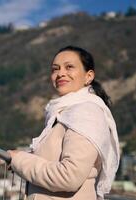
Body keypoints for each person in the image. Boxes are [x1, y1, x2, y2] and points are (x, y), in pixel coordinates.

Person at [7, 46, 120, 200]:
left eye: (69, 67)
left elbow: (69, 177)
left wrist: (19, 160)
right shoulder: (63, 114)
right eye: (55, 69)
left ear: (89, 76)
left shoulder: (87, 112)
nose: (60, 73)